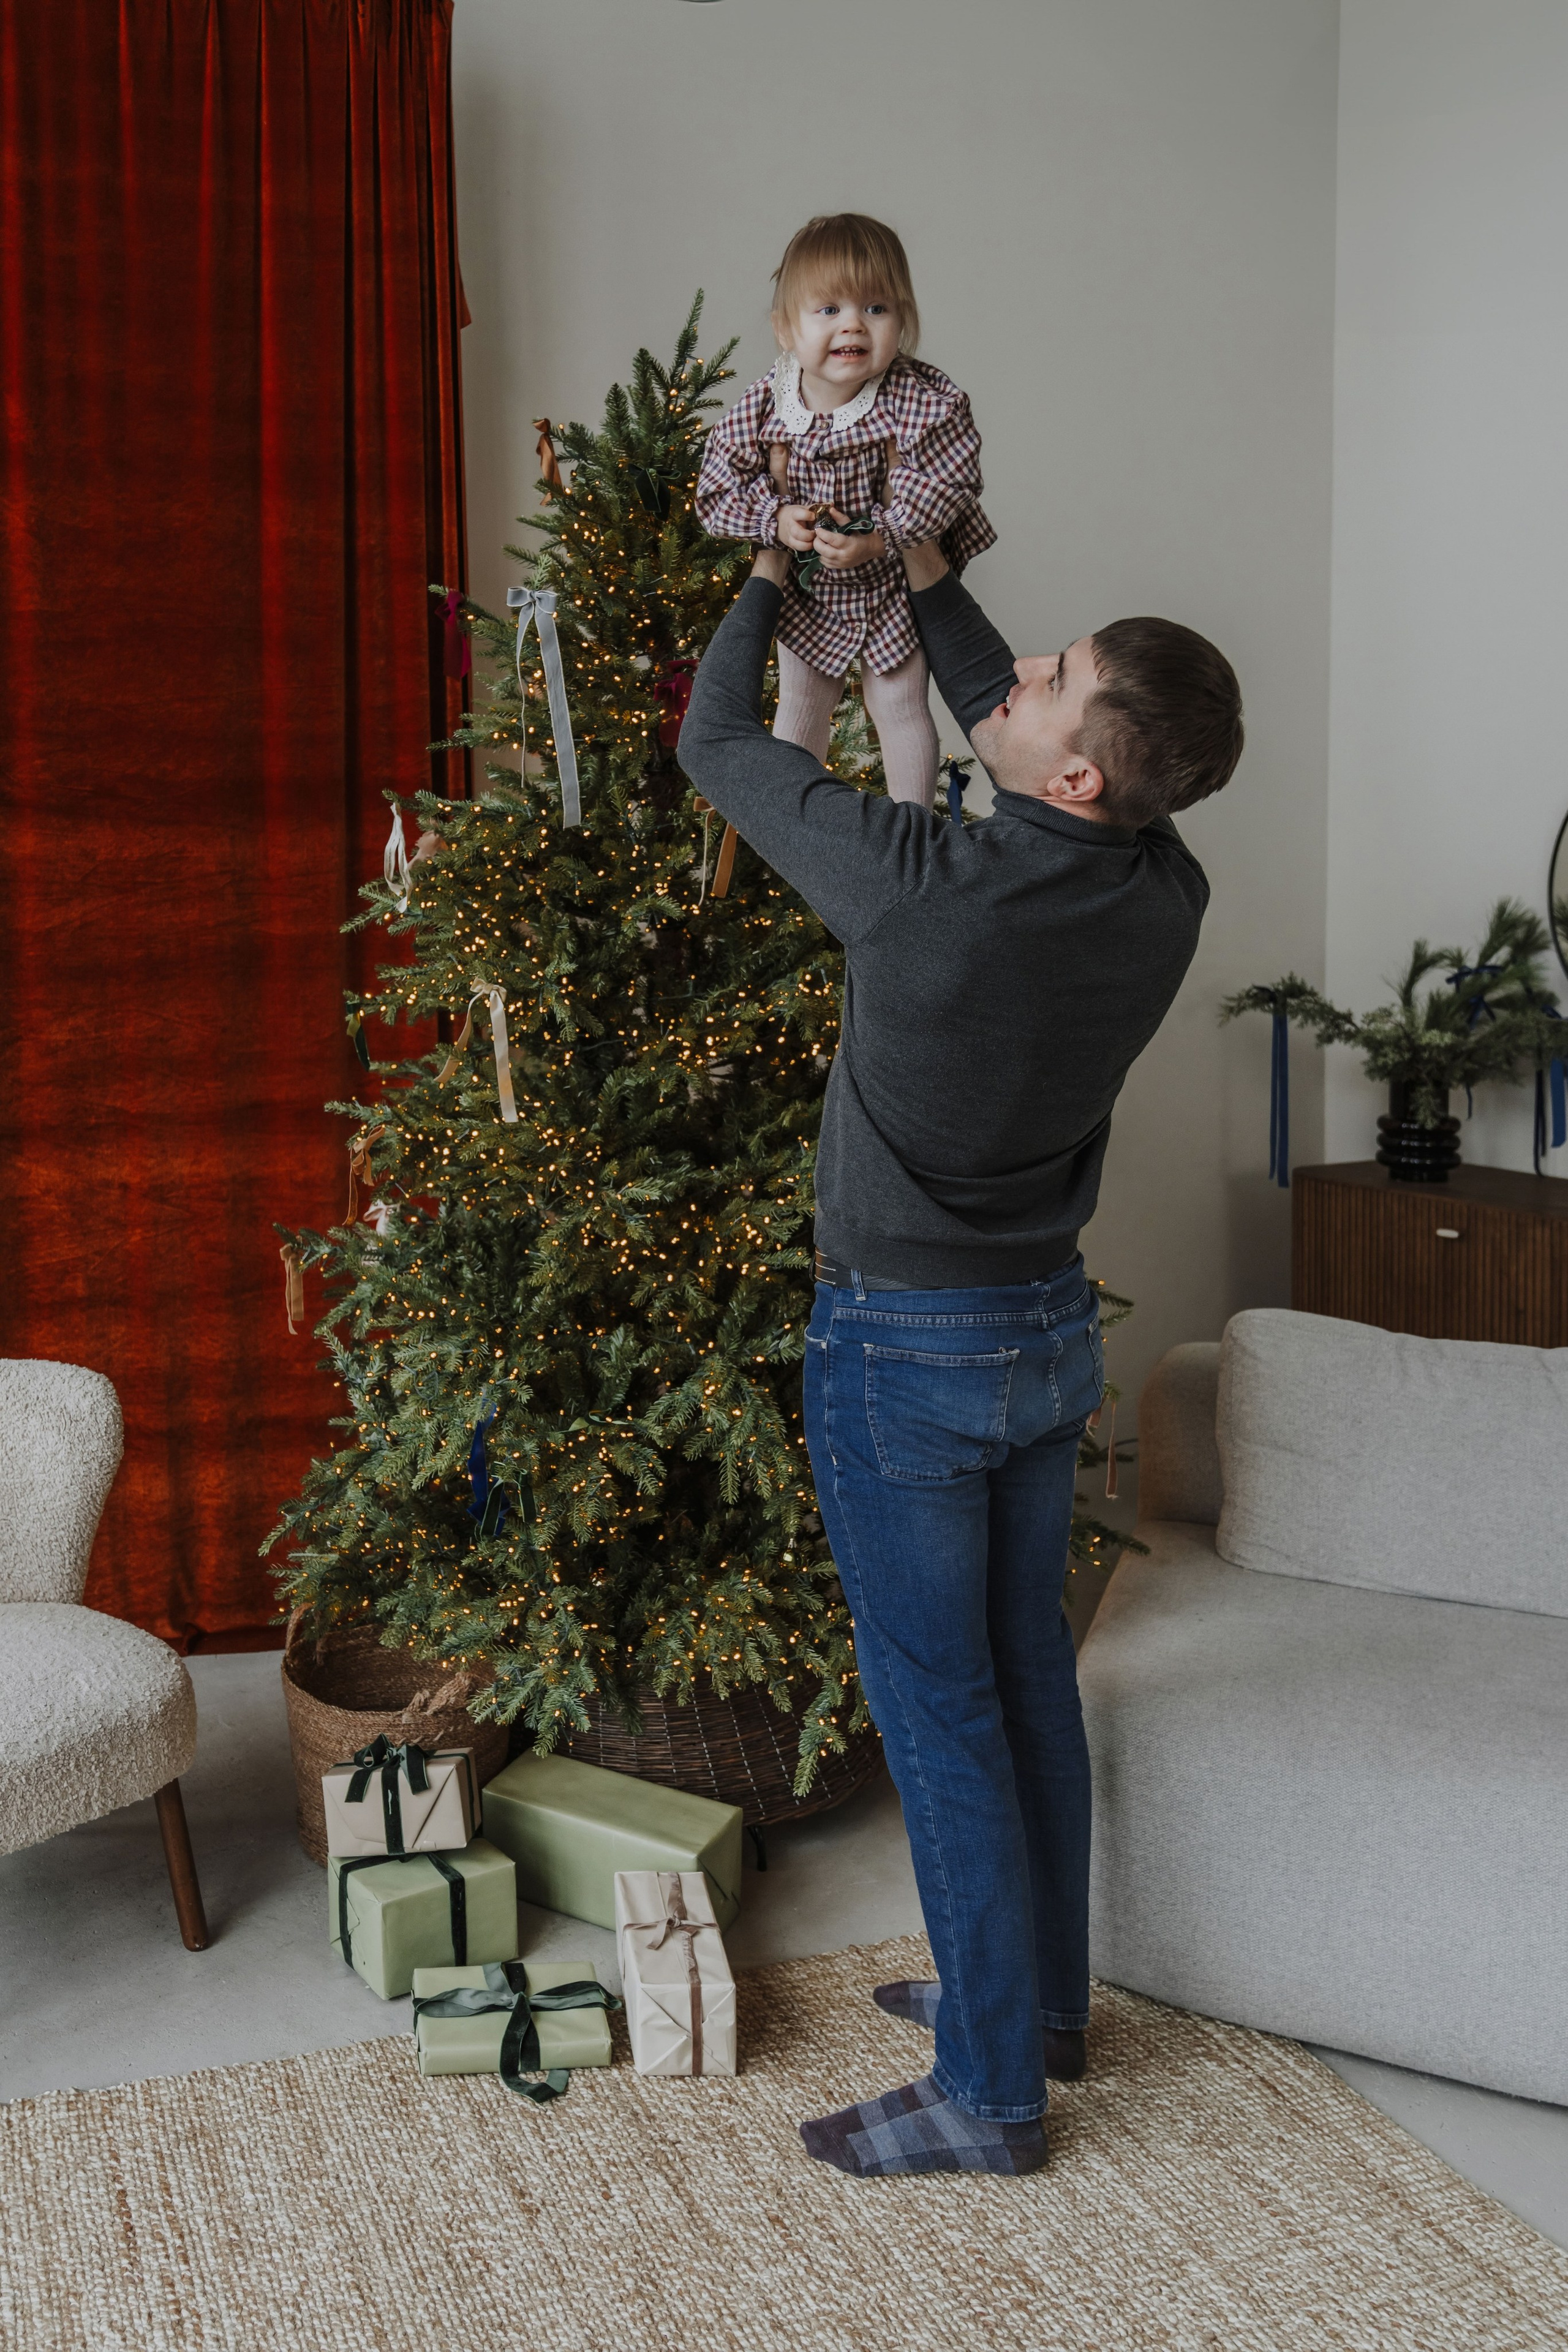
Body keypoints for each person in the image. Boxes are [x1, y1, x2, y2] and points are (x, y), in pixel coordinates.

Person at [678, 534, 1243, 2179]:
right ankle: (1041, 2010)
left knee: (941, 1722)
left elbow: (720, 747)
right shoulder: (1164, 889)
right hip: (1044, 1336)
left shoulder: (915, 884)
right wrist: (921, 569)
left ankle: (993, 2097)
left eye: (1055, 672)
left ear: (1072, 767)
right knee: (1022, 1687)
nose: (1022, 672)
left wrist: (777, 575)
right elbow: (1005, 711)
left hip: (901, 1353)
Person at [695, 213, 993, 810]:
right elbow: (716, 488)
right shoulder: (768, 402)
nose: (853, 324)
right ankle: (795, 823)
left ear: (902, 321)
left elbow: (947, 477)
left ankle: (914, 826)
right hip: (809, 589)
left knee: (899, 704)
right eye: (828, 310)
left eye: (876, 308)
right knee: (803, 703)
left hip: (889, 584)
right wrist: (776, 519)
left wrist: (880, 537)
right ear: (785, 329)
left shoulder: (918, 399)